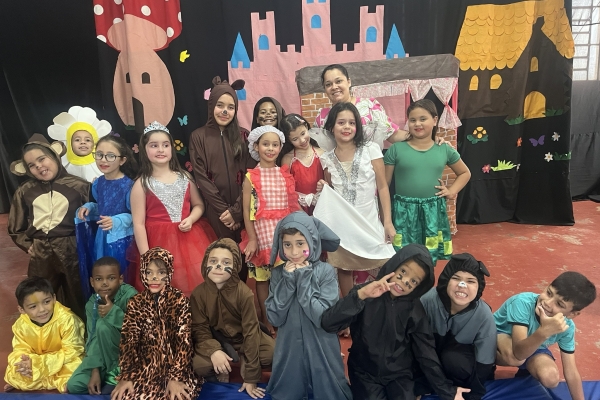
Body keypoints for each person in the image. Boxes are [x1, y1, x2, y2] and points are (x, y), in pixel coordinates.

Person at [321, 244, 470, 400]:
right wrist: (360, 295)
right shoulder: (365, 294)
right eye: (403, 271)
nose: (405, 281)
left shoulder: (415, 310)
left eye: (414, 281)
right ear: (394, 265)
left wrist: (447, 391)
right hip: (364, 373)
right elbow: (328, 323)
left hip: (399, 374)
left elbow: (425, 351)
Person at [314, 101, 396, 301]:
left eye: (352, 123)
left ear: (357, 126)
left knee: (387, 262)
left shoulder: (371, 149)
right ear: (331, 126)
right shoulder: (326, 158)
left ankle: (385, 309)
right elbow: (330, 192)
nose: (347, 127)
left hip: (370, 221)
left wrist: (387, 222)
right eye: (341, 122)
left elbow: (383, 187)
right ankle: (350, 310)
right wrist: (323, 187)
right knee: (344, 268)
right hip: (342, 225)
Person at [266, 211, 352, 400]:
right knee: (288, 391)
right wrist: (288, 283)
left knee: (330, 391)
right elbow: (274, 317)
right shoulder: (279, 274)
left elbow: (322, 317)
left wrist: (304, 281)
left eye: (300, 244)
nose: (294, 252)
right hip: (289, 345)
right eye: (287, 245)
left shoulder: (325, 271)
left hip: (321, 344)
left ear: (312, 242)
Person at [8, 134, 90, 319]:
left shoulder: (81, 186)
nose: (38, 166)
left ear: (54, 156)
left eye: (42, 159)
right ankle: (44, 331)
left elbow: (92, 219)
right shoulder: (25, 191)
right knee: (40, 294)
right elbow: (16, 225)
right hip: (41, 251)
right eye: (31, 165)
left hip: (72, 249)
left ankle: (80, 329)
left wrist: (84, 246)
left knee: (77, 292)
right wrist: (27, 244)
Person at [130, 121, 216, 296]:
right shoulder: (141, 184)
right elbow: (138, 223)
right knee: (165, 287)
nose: (161, 150)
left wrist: (191, 219)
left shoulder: (185, 177)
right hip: (158, 244)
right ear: (144, 150)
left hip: (190, 240)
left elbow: (199, 205)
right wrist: (147, 257)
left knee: (194, 283)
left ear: (172, 148)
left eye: (165, 145)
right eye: (154, 145)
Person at [384, 99, 471, 263]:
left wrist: (451, 191)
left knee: (429, 257)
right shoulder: (396, 149)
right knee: (402, 257)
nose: (417, 124)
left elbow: (465, 173)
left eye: (423, 119)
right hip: (403, 213)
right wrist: (385, 216)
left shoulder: (444, 149)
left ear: (435, 120)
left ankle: (427, 279)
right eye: (412, 120)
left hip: (433, 213)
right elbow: (384, 186)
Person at [189, 77, 255, 281]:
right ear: (211, 106)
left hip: (243, 209)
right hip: (215, 212)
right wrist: (224, 212)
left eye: (230, 107)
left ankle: (242, 297)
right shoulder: (198, 137)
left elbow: (251, 175)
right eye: (220, 105)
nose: (225, 111)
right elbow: (201, 178)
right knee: (222, 262)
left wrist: (236, 212)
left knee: (243, 261)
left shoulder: (244, 136)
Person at [111, 247, 199, 400]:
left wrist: (175, 378)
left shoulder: (179, 301)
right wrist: (127, 376)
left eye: (161, 272)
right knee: (125, 396)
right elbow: (128, 342)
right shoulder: (136, 303)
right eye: (149, 272)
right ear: (143, 273)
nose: (154, 278)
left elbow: (184, 344)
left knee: (178, 396)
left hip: (176, 369)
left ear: (169, 273)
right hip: (145, 368)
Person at [191, 238, 274, 399]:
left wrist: (251, 376)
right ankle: (220, 367)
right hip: (217, 339)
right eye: (213, 261)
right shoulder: (198, 294)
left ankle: (243, 358)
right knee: (200, 365)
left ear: (235, 266)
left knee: (272, 354)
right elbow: (200, 329)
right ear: (205, 263)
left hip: (244, 338)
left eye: (226, 262)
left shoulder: (243, 293)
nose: (218, 267)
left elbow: (251, 332)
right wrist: (214, 350)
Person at [495, 271, 596, 400]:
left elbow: (571, 371)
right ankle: (484, 362)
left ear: (572, 314)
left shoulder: (566, 327)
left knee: (550, 377)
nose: (548, 302)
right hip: (498, 336)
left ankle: (525, 373)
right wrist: (544, 332)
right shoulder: (522, 302)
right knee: (516, 358)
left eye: (559, 304)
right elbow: (518, 352)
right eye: (549, 293)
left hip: (531, 345)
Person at [240, 125, 301, 334]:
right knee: (263, 279)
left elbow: (292, 205)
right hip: (262, 235)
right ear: (256, 146)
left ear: (280, 148)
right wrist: (252, 238)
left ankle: (286, 317)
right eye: (266, 144)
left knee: (286, 276)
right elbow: (247, 210)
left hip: (284, 235)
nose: (270, 148)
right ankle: (267, 321)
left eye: (275, 145)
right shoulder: (251, 177)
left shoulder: (284, 174)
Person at [417, 253, 495, 400]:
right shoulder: (427, 301)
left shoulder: (483, 315)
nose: (462, 285)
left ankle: (457, 386)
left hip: (458, 363)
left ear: (479, 286)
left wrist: (474, 393)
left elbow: (485, 360)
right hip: (428, 355)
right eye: (456, 278)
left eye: (471, 281)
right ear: (446, 279)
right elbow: (420, 346)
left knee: (453, 360)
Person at [76, 135, 138, 298]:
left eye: (110, 156)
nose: (103, 160)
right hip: (102, 238)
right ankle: (105, 305)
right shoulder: (98, 183)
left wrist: (117, 221)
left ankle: (123, 307)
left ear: (122, 160)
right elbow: (103, 207)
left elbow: (137, 215)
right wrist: (90, 207)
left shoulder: (129, 186)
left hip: (122, 240)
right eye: (99, 154)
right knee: (103, 274)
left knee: (119, 275)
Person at [67, 257, 137, 395]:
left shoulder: (130, 296)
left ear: (120, 279)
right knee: (74, 384)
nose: (105, 283)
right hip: (102, 357)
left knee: (103, 325)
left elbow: (140, 330)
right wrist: (95, 370)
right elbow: (93, 338)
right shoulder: (91, 303)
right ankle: (106, 375)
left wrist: (113, 312)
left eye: (111, 278)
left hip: (129, 358)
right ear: (92, 282)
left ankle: (117, 375)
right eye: (99, 279)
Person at [4, 277, 85, 393]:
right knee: (16, 368)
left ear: (54, 298)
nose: (42, 310)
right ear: (22, 309)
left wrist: (39, 365)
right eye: (33, 307)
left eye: (47, 302)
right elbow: (20, 350)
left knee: (77, 366)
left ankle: (30, 383)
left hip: (62, 361)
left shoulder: (67, 320)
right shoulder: (21, 325)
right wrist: (26, 365)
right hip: (36, 361)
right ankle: (57, 382)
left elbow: (73, 351)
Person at [313, 64, 409, 149]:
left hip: (370, 163)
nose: (334, 87)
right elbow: (315, 148)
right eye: (328, 84)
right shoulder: (322, 117)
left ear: (349, 82)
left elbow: (391, 134)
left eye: (338, 81)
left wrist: (415, 137)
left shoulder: (369, 106)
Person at [47, 106, 112, 182]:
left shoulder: (104, 163)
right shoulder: (62, 168)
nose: (83, 142)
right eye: (77, 140)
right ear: (70, 144)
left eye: (87, 140)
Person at [279, 114, 326, 216]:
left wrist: (325, 185)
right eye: (295, 139)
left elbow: (330, 183)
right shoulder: (287, 159)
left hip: (322, 206)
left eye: (303, 133)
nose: (302, 140)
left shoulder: (321, 153)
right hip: (298, 209)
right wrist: (303, 216)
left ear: (306, 126)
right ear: (289, 141)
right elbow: (288, 192)